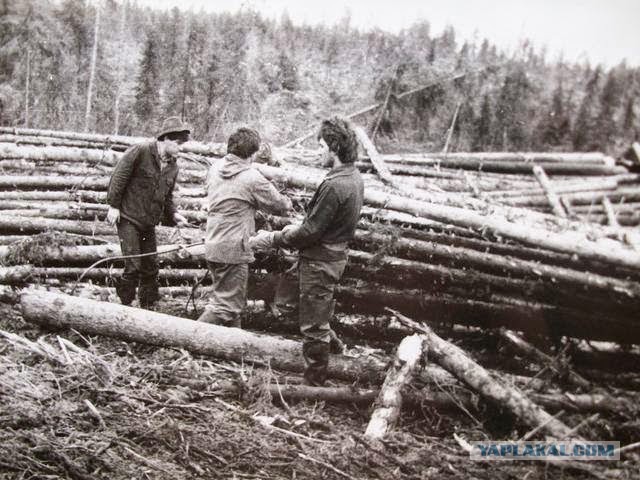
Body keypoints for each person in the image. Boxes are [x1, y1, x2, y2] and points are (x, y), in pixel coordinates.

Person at [249, 117, 364, 386]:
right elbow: (318, 225)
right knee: (287, 305)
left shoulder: (337, 185)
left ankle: (314, 383)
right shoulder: (350, 176)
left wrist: (273, 237)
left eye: (322, 145)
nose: (319, 151)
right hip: (318, 258)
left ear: (334, 147)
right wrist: (298, 227)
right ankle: (333, 346)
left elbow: (310, 233)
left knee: (313, 325)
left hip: (321, 262)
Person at [197, 127, 292, 328]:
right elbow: (280, 205)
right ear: (253, 153)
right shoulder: (251, 177)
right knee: (226, 307)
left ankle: (236, 348)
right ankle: (184, 338)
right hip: (233, 248)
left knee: (232, 303)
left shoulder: (215, 168)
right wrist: (288, 201)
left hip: (214, 241)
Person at [106, 116, 190, 308]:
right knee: (133, 265)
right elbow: (119, 176)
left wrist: (174, 214)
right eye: (178, 143)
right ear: (166, 139)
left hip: (148, 223)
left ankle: (148, 306)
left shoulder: (173, 166)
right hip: (128, 217)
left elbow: (167, 196)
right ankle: (124, 305)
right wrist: (113, 206)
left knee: (151, 266)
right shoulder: (141, 151)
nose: (181, 148)